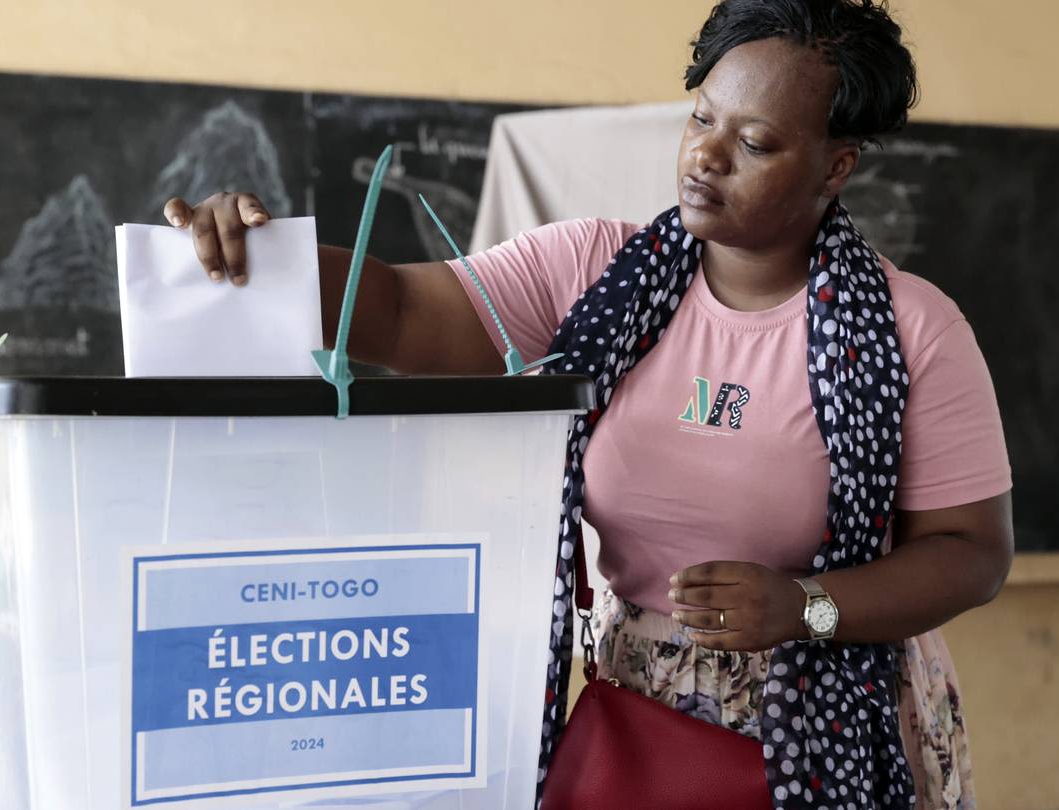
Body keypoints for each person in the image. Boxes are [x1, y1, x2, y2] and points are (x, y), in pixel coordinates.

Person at [163, 1, 1012, 807]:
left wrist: (808, 606)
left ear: (835, 166)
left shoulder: (914, 332)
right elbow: (395, 310)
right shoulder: (594, 272)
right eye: (701, 118)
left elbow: (971, 553)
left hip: (837, 731)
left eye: (753, 142)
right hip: (633, 718)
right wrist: (256, 256)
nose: (706, 157)